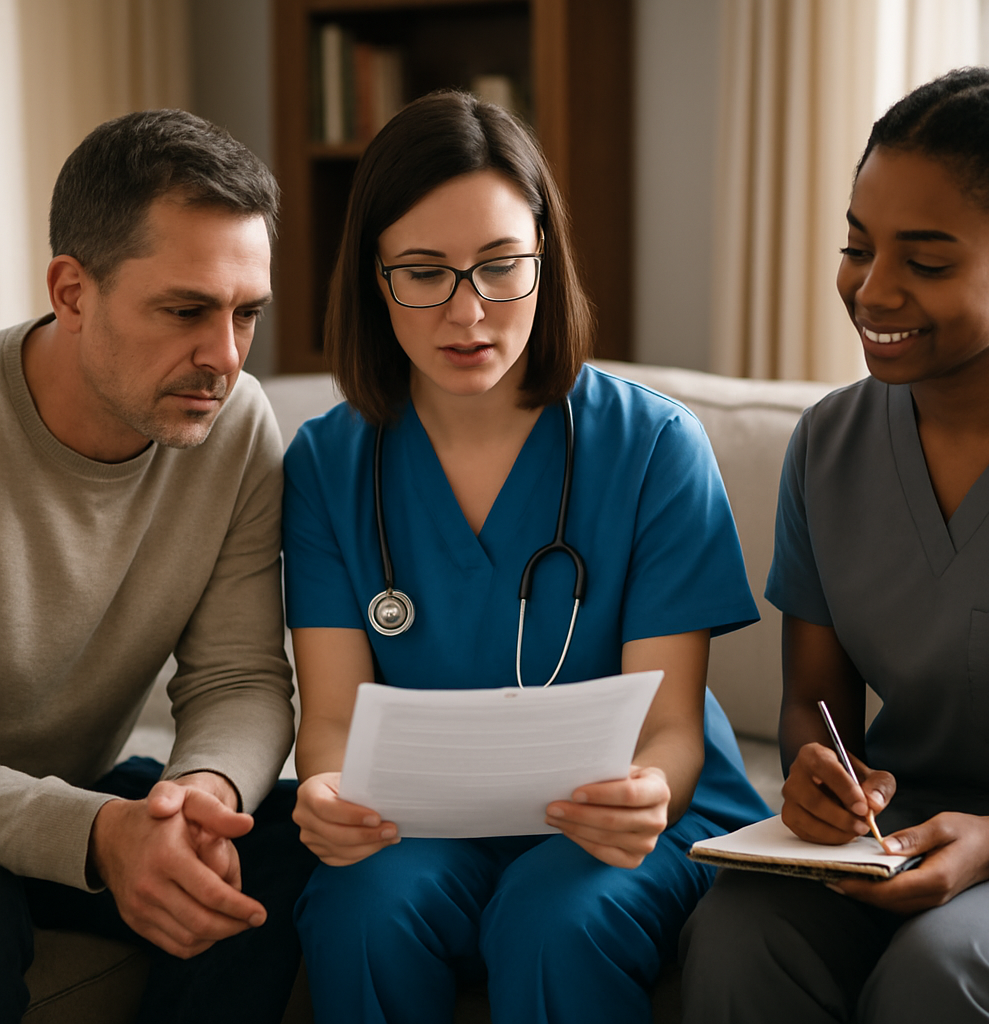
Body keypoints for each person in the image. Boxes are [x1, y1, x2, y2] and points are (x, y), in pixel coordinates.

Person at [282, 90, 770, 1024]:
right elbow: (331, 721)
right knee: (358, 909)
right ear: (372, 279)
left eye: (502, 267)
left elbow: (668, 732)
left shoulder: (655, 449)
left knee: (556, 918)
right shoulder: (325, 465)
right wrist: (328, 792)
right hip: (425, 827)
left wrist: (647, 794)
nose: (470, 313)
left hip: (628, 819)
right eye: (424, 273)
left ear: (545, 261)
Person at [678, 67, 989, 1023]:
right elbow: (814, 701)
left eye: (928, 260)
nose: (873, 289)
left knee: (943, 971)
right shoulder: (828, 444)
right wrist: (819, 779)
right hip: (901, 835)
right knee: (740, 934)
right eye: (856, 247)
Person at [0, 109, 315, 1024]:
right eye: (185, 310)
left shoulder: (235, 426)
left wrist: (196, 802)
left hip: (76, 795)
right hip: (58, 811)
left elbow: (241, 676)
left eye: (245, 314)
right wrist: (100, 835)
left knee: (283, 847)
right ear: (71, 292)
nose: (223, 358)